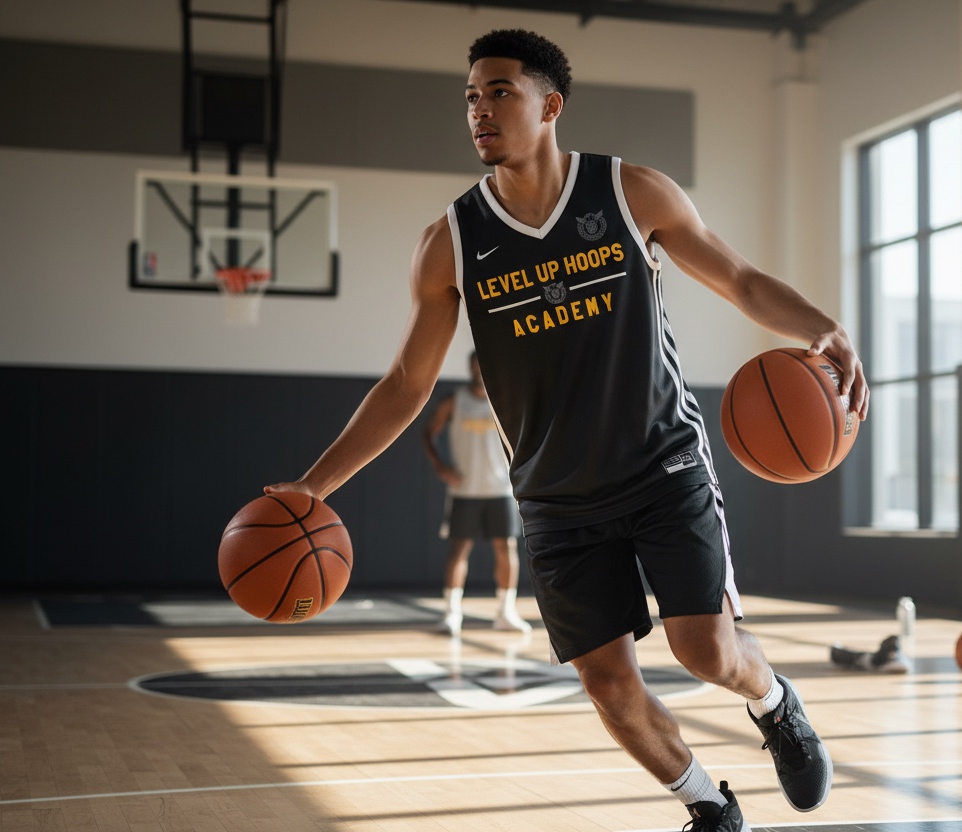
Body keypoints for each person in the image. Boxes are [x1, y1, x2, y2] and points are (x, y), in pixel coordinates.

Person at [267, 29, 868, 832]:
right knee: (608, 685)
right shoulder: (449, 243)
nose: (480, 109)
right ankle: (707, 808)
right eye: (472, 97)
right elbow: (409, 383)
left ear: (550, 105)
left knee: (706, 652)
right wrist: (315, 485)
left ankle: (775, 701)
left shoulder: (631, 193)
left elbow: (741, 279)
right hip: (555, 498)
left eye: (500, 92)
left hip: (662, 467)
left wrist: (821, 327)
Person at [422, 351, 532, 635]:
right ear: (470, 367)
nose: (479, 369)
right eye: (475, 364)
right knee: (459, 549)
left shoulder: (507, 399)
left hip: (501, 489)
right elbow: (428, 433)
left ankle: (505, 612)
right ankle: (451, 614)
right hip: (465, 490)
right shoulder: (455, 401)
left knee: (506, 548)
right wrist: (440, 465)